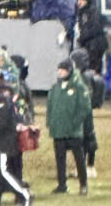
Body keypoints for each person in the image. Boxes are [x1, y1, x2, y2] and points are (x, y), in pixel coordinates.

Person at [0, 66, 31, 206]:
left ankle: (24, 194)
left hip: (2, 142)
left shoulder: (2, 97)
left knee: (3, 172)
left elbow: (0, 122)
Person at [47, 59, 90, 195]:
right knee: (60, 159)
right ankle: (61, 185)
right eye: (59, 70)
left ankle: (83, 185)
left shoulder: (79, 87)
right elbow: (50, 107)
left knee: (79, 159)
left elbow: (84, 108)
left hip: (73, 131)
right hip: (58, 130)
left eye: (63, 70)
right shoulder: (55, 88)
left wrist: (74, 123)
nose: (60, 73)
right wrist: (50, 122)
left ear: (69, 71)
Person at [74, 0, 107, 73]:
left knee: (94, 68)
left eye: (81, 0)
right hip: (90, 45)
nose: (79, 2)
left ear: (86, 1)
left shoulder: (92, 12)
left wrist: (82, 38)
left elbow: (95, 29)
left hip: (95, 45)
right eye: (78, 0)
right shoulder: (82, 13)